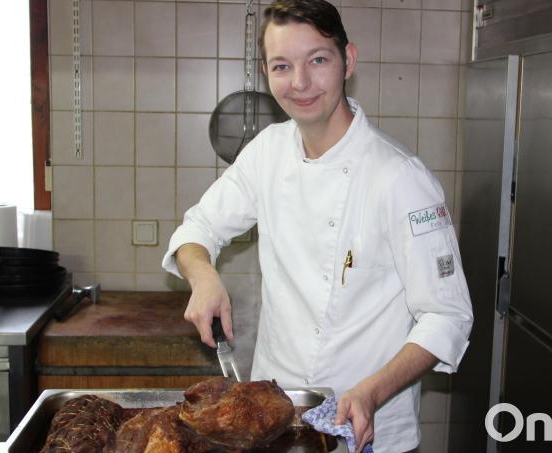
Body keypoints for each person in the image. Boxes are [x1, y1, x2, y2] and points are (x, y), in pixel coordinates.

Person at [162, 0, 473, 450]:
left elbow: (448, 316)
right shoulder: (267, 151)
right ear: (266, 73)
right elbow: (197, 230)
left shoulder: (401, 178)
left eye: (318, 60)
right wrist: (204, 275)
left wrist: (372, 391)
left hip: (368, 426)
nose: (301, 82)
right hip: (274, 419)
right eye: (283, 66)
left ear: (349, 60)